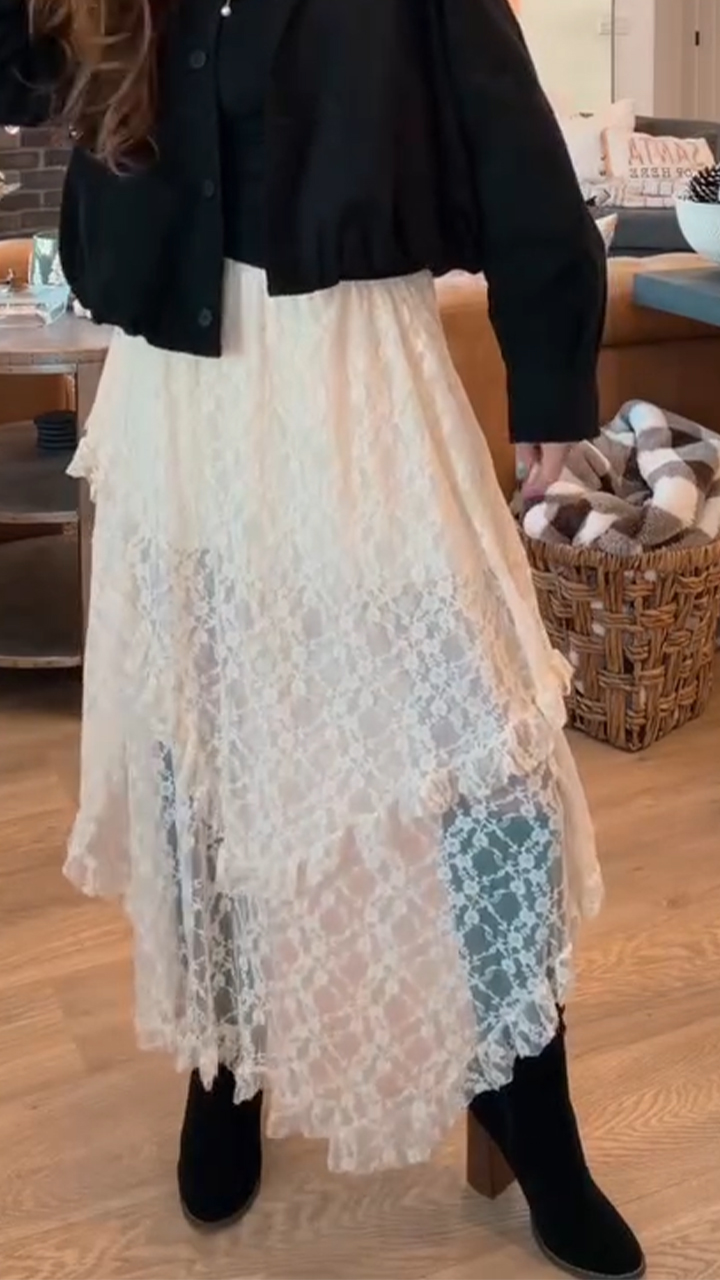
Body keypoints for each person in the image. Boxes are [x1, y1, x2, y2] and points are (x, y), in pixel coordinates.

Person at [0, 1, 645, 1276]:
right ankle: (225, 1057)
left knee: (489, 751)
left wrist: (550, 377)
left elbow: (511, 133)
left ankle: (529, 1098)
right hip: (179, 393)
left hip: (357, 379)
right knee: (200, 751)